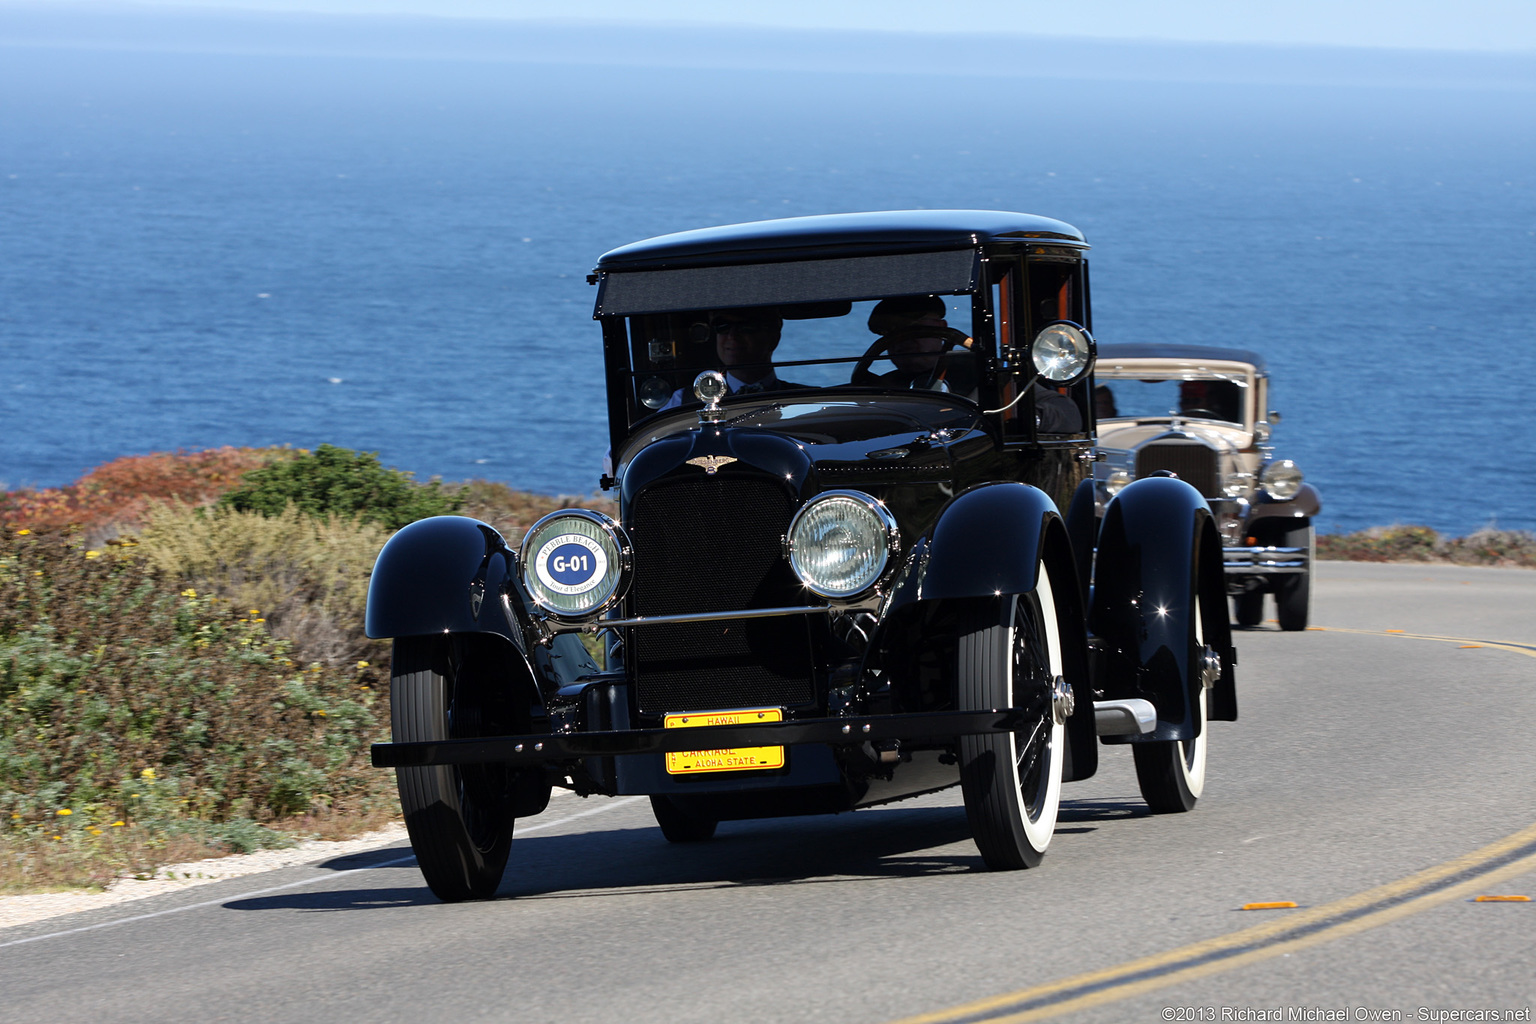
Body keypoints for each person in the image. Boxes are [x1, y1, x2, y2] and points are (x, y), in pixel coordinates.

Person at [659, 308, 805, 410]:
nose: (732, 336)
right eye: (723, 327)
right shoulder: (683, 401)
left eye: (746, 327)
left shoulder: (805, 402)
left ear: (774, 338)